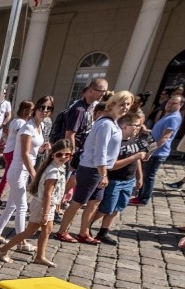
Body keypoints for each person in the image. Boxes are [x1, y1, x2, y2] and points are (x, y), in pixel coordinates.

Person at [56, 91, 132, 243]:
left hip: (98, 169)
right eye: (121, 104)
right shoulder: (106, 124)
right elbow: (100, 151)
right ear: (113, 104)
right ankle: (62, 231)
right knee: (78, 202)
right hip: (92, 169)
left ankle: (84, 232)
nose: (125, 107)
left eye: (128, 104)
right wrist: (103, 174)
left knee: (94, 202)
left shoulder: (112, 123)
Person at [0, 140, 73, 267]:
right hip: (43, 205)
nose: (64, 157)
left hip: (47, 204)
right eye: (60, 154)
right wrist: (46, 213)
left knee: (46, 231)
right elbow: (48, 194)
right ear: (53, 155)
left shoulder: (58, 167)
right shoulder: (53, 172)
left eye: (67, 155)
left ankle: (40, 256)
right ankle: (3, 249)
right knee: (30, 232)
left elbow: (54, 193)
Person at [0, 96, 53, 248]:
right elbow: (24, 154)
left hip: (24, 170)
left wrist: (42, 148)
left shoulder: (40, 127)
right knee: (22, 207)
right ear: (35, 109)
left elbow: (32, 152)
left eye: (48, 108)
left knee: (11, 205)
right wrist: (34, 174)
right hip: (18, 169)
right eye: (41, 107)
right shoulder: (27, 127)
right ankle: (21, 241)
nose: (44, 111)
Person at [83, 111, 147, 245]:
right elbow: (111, 166)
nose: (138, 128)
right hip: (114, 180)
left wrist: (139, 177)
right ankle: (86, 228)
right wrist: (134, 157)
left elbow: (138, 160)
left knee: (118, 207)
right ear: (124, 126)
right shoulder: (116, 143)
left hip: (129, 180)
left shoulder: (134, 140)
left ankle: (103, 232)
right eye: (135, 125)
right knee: (106, 208)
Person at [129, 94, 185, 206]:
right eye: (169, 102)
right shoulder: (168, 115)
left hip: (158, 152)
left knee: (148, 176)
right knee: (146, 174)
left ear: (180, 105)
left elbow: (164, 138)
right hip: (154, 149)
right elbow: (158, 133)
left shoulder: (174, 118)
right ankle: (141, 196)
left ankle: (143, 199)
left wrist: (150, 151)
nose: (169, 104)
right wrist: (147, 131)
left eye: (174, 103)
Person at [0, 100, 34, 206]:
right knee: (10, 176)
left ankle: (1, 196)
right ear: (26, 110)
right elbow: (21, 139)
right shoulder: (20, 122)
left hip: (9, 150)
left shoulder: (16, 121)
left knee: (8, 175)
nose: (32, 112)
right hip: (12, 151)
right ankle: (0, 196)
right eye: (31, 110)